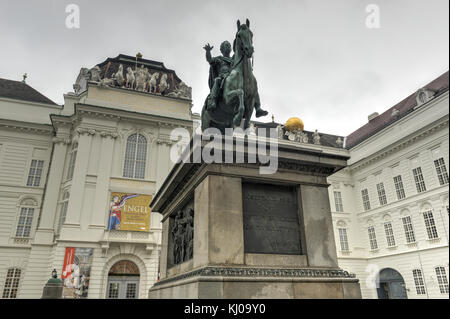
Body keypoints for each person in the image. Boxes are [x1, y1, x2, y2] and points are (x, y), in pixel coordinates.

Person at [204, 41, 233, 110]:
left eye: (229, 45)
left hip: (232, 78)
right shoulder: (219, 59)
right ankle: (212, 101)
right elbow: (210, 60)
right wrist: (208, 51)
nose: (228, 47)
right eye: (226, 45)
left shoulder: (234, 60)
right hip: (222, 78)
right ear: (221, 50)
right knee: (217, 80)